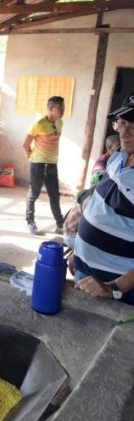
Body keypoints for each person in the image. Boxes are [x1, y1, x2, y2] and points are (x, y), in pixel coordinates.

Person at [73, 92, 134, 304]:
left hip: (115, 290)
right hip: (86, 276)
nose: (125, 133)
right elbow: (103, 204)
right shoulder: (118, 156)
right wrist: (78, 251)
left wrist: (114, 288)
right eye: (122, 123)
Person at [22, 96, 65, 235]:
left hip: (52, 165)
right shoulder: (39, 124)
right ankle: (30, 222)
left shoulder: (60, 122)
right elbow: (25, 144)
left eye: (63, 107)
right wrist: (33, 158)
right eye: (60, 108)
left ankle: (60, 225)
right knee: (34, 194)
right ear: (51, 109)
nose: (62, 110)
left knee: (54, 196)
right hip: (38, 164)